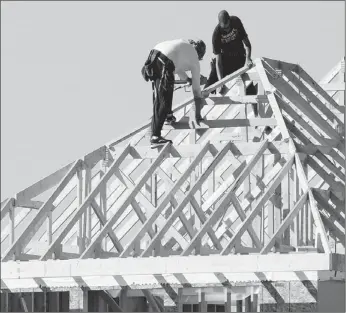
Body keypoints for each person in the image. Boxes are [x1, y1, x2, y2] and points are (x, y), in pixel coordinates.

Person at [141, 38, 208, 148]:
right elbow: (196, 92)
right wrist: (198, 115)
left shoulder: (184, 46)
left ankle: (168, 115)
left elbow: (178, 69)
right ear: (200, 54)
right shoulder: (195, 60)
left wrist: (187, 79)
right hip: (164, 61)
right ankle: (155, 136)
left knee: (161, 91)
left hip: (153, 56)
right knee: (163, 97)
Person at [204, 10, 253, 94]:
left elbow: (247, 44)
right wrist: (221, 82)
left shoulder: (236, 22)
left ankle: (254, 105)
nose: (227, 30)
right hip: (226, 61)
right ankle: (202, 101)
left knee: (250, 89)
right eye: (224, 28)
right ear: (220, 24)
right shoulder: (216, 34)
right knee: (210, 84)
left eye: (228, 27)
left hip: (239, 57)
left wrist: (248, 59)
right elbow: (218, 62)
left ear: (229, 20)